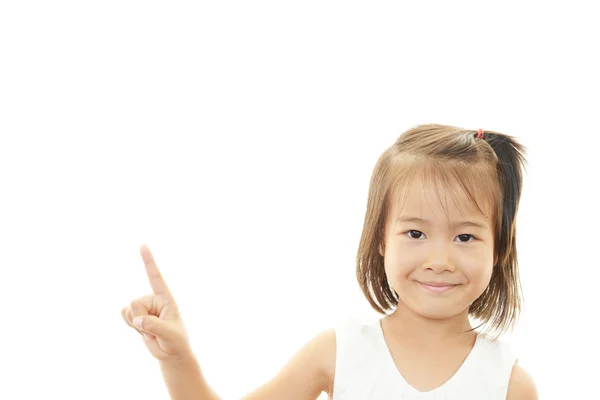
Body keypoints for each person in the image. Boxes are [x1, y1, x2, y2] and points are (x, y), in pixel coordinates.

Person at [121, 124, 538, 399]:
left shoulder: (509, 384)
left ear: (499, 248)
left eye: (465, 237)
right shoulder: (340, 350)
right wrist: (177, 357)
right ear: (380, 239)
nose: (439, 259)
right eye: (415, 233)